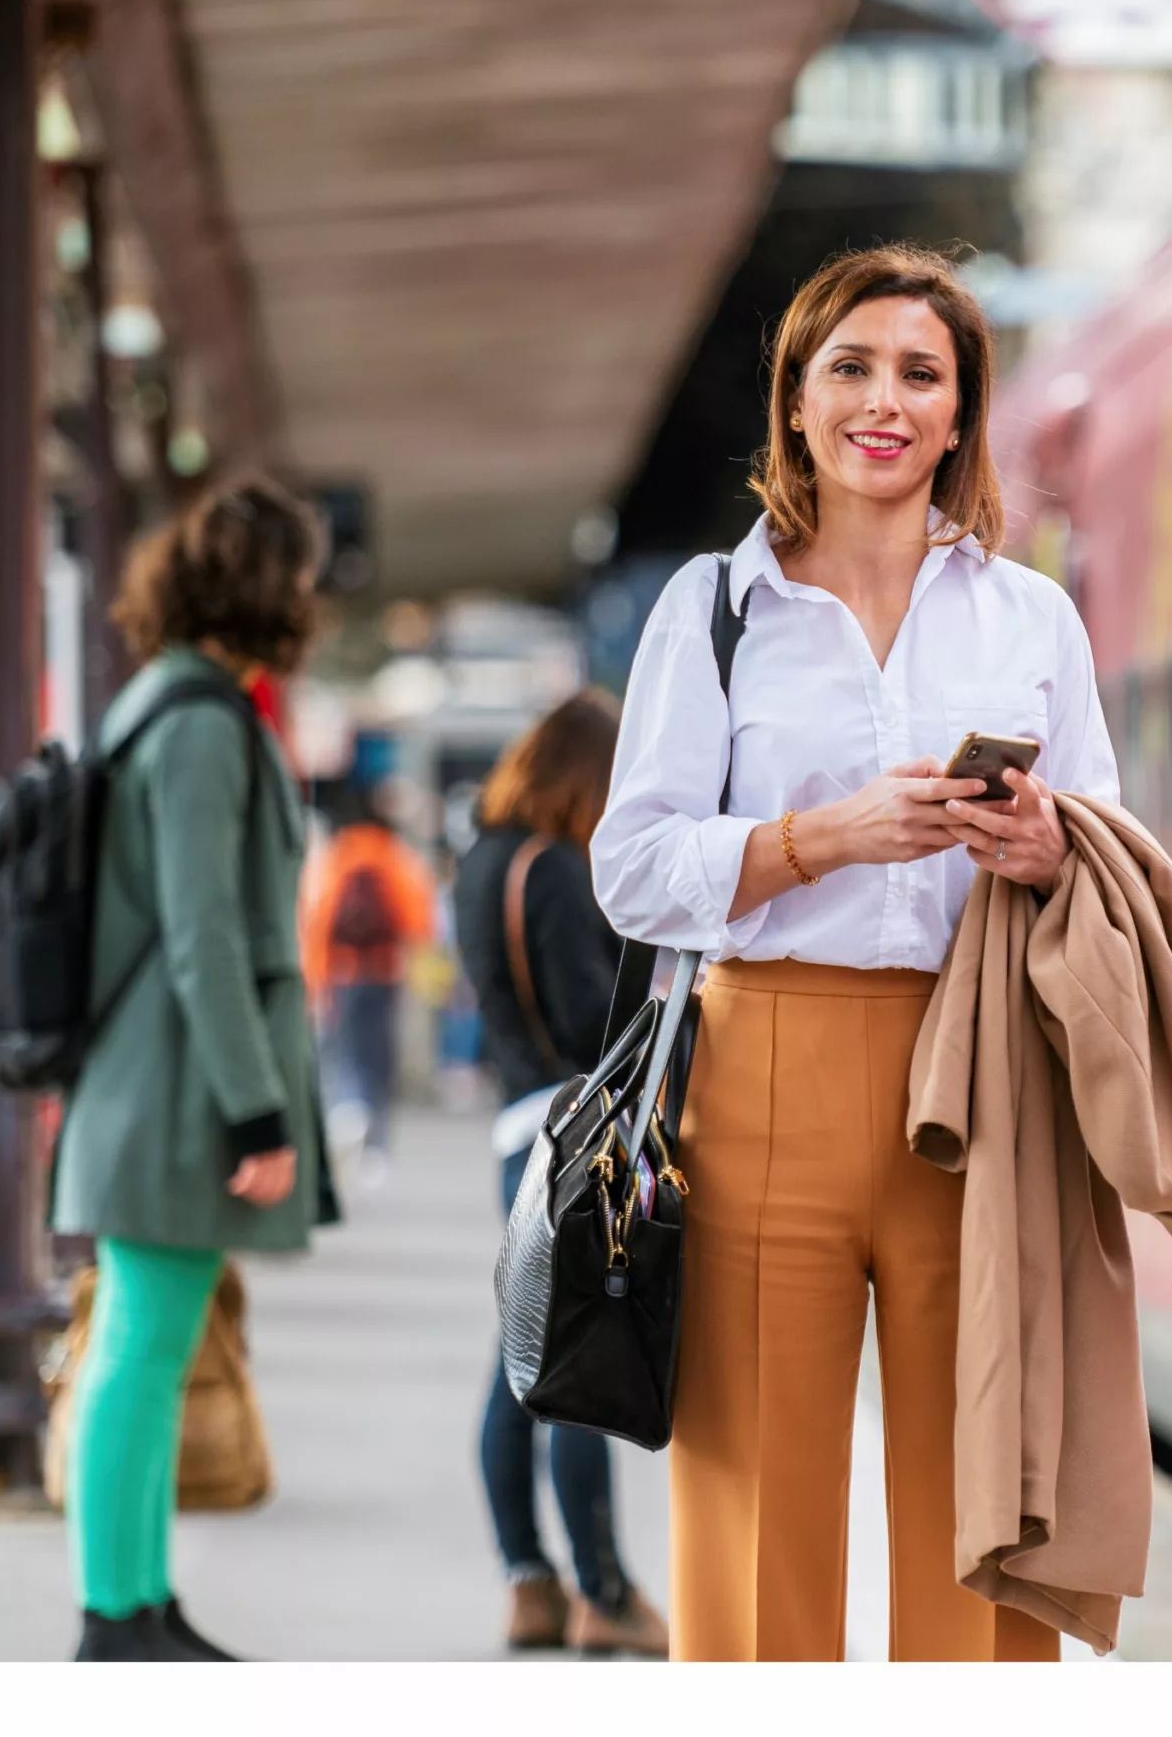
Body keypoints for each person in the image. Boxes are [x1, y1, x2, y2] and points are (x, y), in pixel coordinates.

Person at [591, 244, 1121, 1661]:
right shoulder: (715, 610)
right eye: (853, 367)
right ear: (799, 400)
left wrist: (1044, 849)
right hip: (766, 1069)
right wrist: (822, 838)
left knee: (985, 1502)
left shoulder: (1032, 619)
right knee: (757, 1500)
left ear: (960, 416)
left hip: (986, 1076)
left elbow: (1111, 857)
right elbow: (631, 867)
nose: (885, 401)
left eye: (921, 375)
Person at [52, 477, 329, 1663]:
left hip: (149, 1081)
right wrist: (255, 1108)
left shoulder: (168, 704)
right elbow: (204, 933)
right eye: (303, 577)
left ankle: (142, 1599)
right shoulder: (204, 725)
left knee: (151, 1348)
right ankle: (113, 1617)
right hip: (172, 1091)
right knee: (140, 1345)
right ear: (266, 584)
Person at [452, 689, 669, 1657]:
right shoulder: (552, 870)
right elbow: (593, 1022)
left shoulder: (480, 860)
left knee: (523, 1362)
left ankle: (526, 1579)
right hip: (573, 1135)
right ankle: (604, 1590)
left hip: (516, 1125)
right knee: (573, 1366)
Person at [299, 780, 436, 1183]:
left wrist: (316, 981)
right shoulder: (395, 856)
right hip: (384, 971)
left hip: (341, 971)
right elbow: (419, 918)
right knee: (378, 1055)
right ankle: (376, 1145)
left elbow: (315, 922)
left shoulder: (337, 857)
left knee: (344, 1051)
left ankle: (348, 1112)